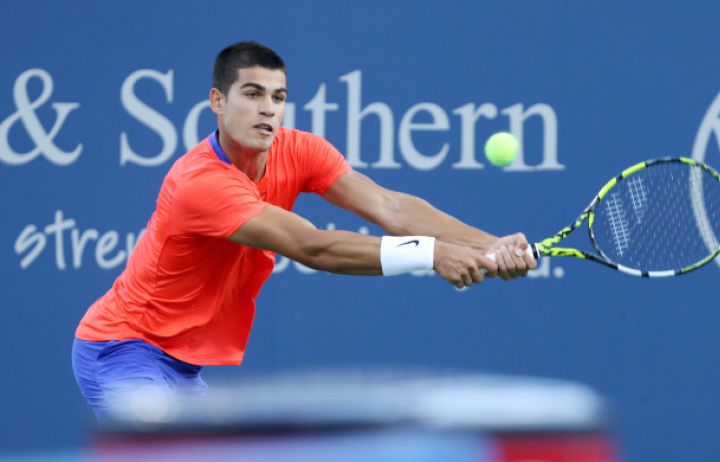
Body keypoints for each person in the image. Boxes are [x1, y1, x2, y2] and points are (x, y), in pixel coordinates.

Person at [71, 41, 537, 422]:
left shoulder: (301, 150)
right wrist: (431, 254)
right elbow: (313, 247)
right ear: (218, 101)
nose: (268, 109)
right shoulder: (201, 183)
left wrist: (489, 245)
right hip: (123, 349)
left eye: (278, 97)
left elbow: (389, 207)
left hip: (181, 365)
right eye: (252, 94)